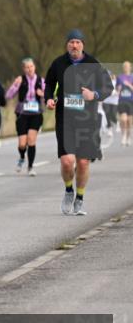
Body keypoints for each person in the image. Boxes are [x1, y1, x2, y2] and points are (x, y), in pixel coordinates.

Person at [44, 30, 114, 216]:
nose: (74, 45)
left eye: (77, 42)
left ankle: (80, 199)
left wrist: (94, 95)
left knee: (83, 163)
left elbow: (108, 87)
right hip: (65, 119)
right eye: (71, 42)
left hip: (87, 120)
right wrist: (49, 99)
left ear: (83, 44)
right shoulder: (58, 63)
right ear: (67, 45)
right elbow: (49, 84)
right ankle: (69, 191)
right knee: (67, 162)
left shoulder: (93, 63)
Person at [5, 57, 45, 176]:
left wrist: (42, 94)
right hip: (22, 114)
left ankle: (30, 167)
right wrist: (14, 85)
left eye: (31, 66)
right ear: (24, 69)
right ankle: (22, 157)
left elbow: (49, 95)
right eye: (27, 67)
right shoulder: (20, 80)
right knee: (22, 144)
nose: (29, 69)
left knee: (31, 141)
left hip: (36, 114)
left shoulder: (41, 80)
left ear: (34, 67)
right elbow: (8, 96)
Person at [116, 61, 132, 146]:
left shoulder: (132, 77)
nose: (126, 67)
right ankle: (123, 136)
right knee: (123, 120)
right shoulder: (120, 77)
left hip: (131, 101)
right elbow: (117, 90)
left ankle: (129, 137)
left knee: (129, 121)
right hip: (122, 100)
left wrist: (129, 85)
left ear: (130, 67)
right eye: (124, 66)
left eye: (127, 66)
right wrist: (118, 89)